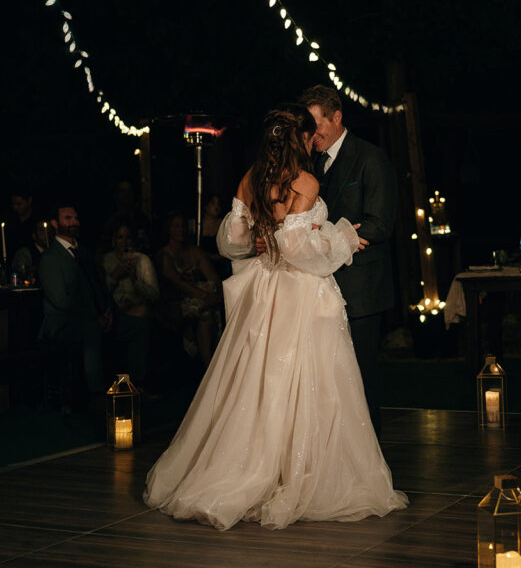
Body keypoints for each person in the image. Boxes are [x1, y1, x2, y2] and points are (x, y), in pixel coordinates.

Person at [144, 103, 407, 530]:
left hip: (265, 289)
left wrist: (266, 239)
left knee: (260, 377)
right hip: (301, 293)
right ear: (300, 138)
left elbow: (232, 241)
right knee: (310, 380)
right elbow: (301, 251)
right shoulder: (304, 181)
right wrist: (340, 240)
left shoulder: (252, 178)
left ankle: (253, 466)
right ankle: (296, 473)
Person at [298, 85, 397, 439]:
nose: (312, 135)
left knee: (361, 379)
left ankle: (370, 457)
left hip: (360, 291)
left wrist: (331, 240)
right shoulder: (308, 163)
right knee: (328, 381)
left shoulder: (370, 158)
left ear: (337, 117)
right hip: (318, 290)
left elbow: (379, 224)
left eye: (316, 125)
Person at [38, 203, 110, 410]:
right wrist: (95, 316)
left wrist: (106, 310)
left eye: (75, 218)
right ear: (55, 223)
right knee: (91, 331)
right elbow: (61, 301)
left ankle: (133, 385)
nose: (74, 222)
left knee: (135, 324)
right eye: (68, 218)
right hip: (62, 322)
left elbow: (97, 285)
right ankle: (96, 394)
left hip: (91, 314)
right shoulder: (50, 258)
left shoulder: (84, 252)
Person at [156, 212, 221, 368]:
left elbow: (213, 277)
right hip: (176, 300)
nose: (181, 230)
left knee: (213, 307)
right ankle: (208, 365)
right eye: (176, 226)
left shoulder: (195, 251)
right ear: (169, 229)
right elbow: (177, 283)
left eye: (183, 226)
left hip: (200, 297)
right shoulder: (164, 255)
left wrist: (219, 293)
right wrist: (205, 296)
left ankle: (216, 362)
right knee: (205, 311)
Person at [103, 218, 159, 385]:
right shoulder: (106, 260)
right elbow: (101, 291)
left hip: (138, 310)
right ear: (114, 240)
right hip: (114, 312)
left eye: (128, 237)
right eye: (120, 237)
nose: (124, 241)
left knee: (143, 315)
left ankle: (138, 382)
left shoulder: (142, 260)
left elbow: (154, 295)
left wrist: (135, 279)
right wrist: (116, 274)